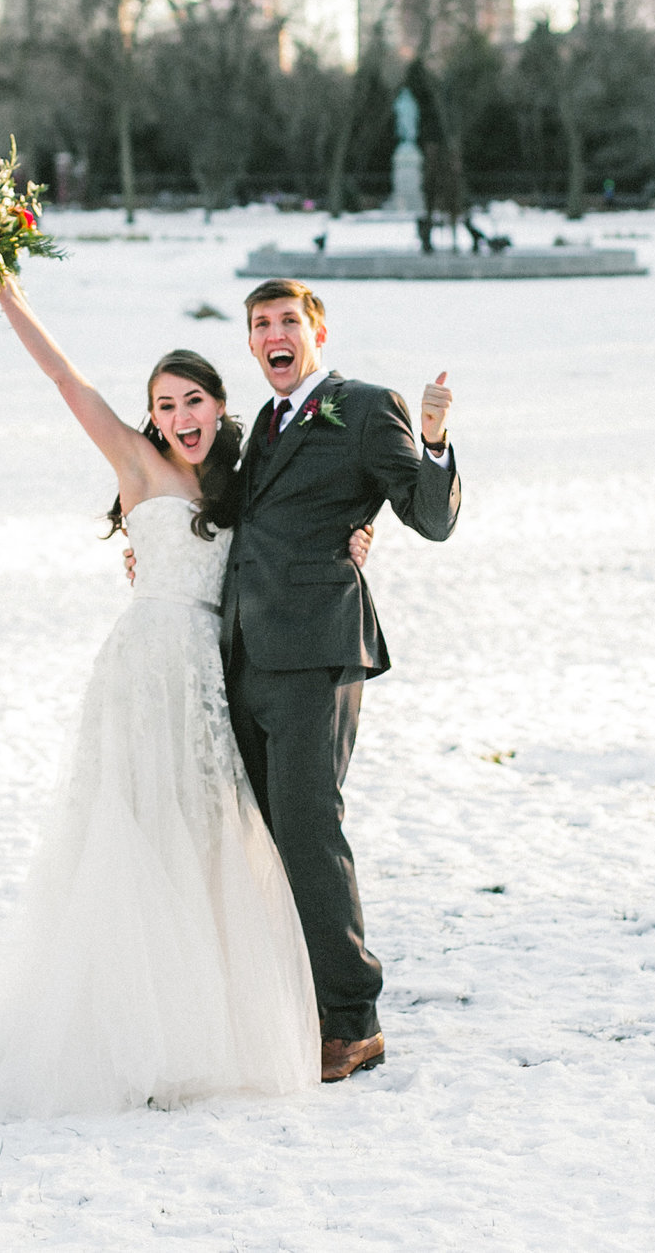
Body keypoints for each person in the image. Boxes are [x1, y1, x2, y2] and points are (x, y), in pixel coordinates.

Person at [0, 248, 378, 1121]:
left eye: (193, 400)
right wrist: (4, 286)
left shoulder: (241, 482)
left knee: (209, 843)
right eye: (164, 404)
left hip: (213, 677)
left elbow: (300, 520)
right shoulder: (135, 463)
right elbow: (62, 377)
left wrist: (355, 532)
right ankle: (128, 1033)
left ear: (219, 405)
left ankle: (215, 1021)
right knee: (133, 840)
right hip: (142, 670)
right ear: (150, 418)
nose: (180, 416)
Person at [224, 278, 459, 1082]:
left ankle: (354, 1020)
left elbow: (428, 516)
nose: (274, 334)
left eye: (289, 320)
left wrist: (431, 438)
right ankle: (298, 1006)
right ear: (251, 343)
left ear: (317, 331)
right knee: (267, 840)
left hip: (319, 652)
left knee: (310, 832)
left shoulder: (361, 406)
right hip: (248, 654)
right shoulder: (264, 421)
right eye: (261, 325)